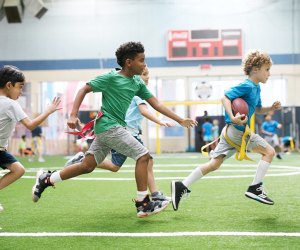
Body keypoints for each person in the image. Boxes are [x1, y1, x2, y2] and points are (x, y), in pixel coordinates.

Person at [32, 42, 197, 218]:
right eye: (141, 61)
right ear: (128, 62)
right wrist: (72, 115)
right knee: (143, 156)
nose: (144, 65)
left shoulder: (137, 83)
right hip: (108, 126)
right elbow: (83, 89)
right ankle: (143, 203)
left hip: (111, 128)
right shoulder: (110, 78)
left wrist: (180, 120)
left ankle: (47, 179)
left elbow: (156, 104)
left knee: (87, 166)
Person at [171, 50, 281, 211]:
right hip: (237, 131)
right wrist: (232, 116)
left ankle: (181, 186)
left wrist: (270, 108)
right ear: (256, 69)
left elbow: (257, 109)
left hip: (230, 131)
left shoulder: (256, 88)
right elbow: (225, 97)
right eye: (267, 69)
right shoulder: (247, 85)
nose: (269, 74)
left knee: (214, 164)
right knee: (269, 152)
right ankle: (255, 188)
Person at [66, 66, 173, 201]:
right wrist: (159, 121)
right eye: (144, 74)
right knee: (146, 159)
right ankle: (153, 195)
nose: (147, 77)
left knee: (115, 166)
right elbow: (144, 110)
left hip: (125, 130)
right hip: (125, 132)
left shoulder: (134, 89)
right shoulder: (137, 92)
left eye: (148, 74)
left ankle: (84, 160)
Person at [0, 65, 61, 212]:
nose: (21, 92)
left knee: (18, 169)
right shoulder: (10, 104)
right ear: (9, 85)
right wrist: (48, 111)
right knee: (18, 170)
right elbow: (31, 125)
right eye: (20, 87)